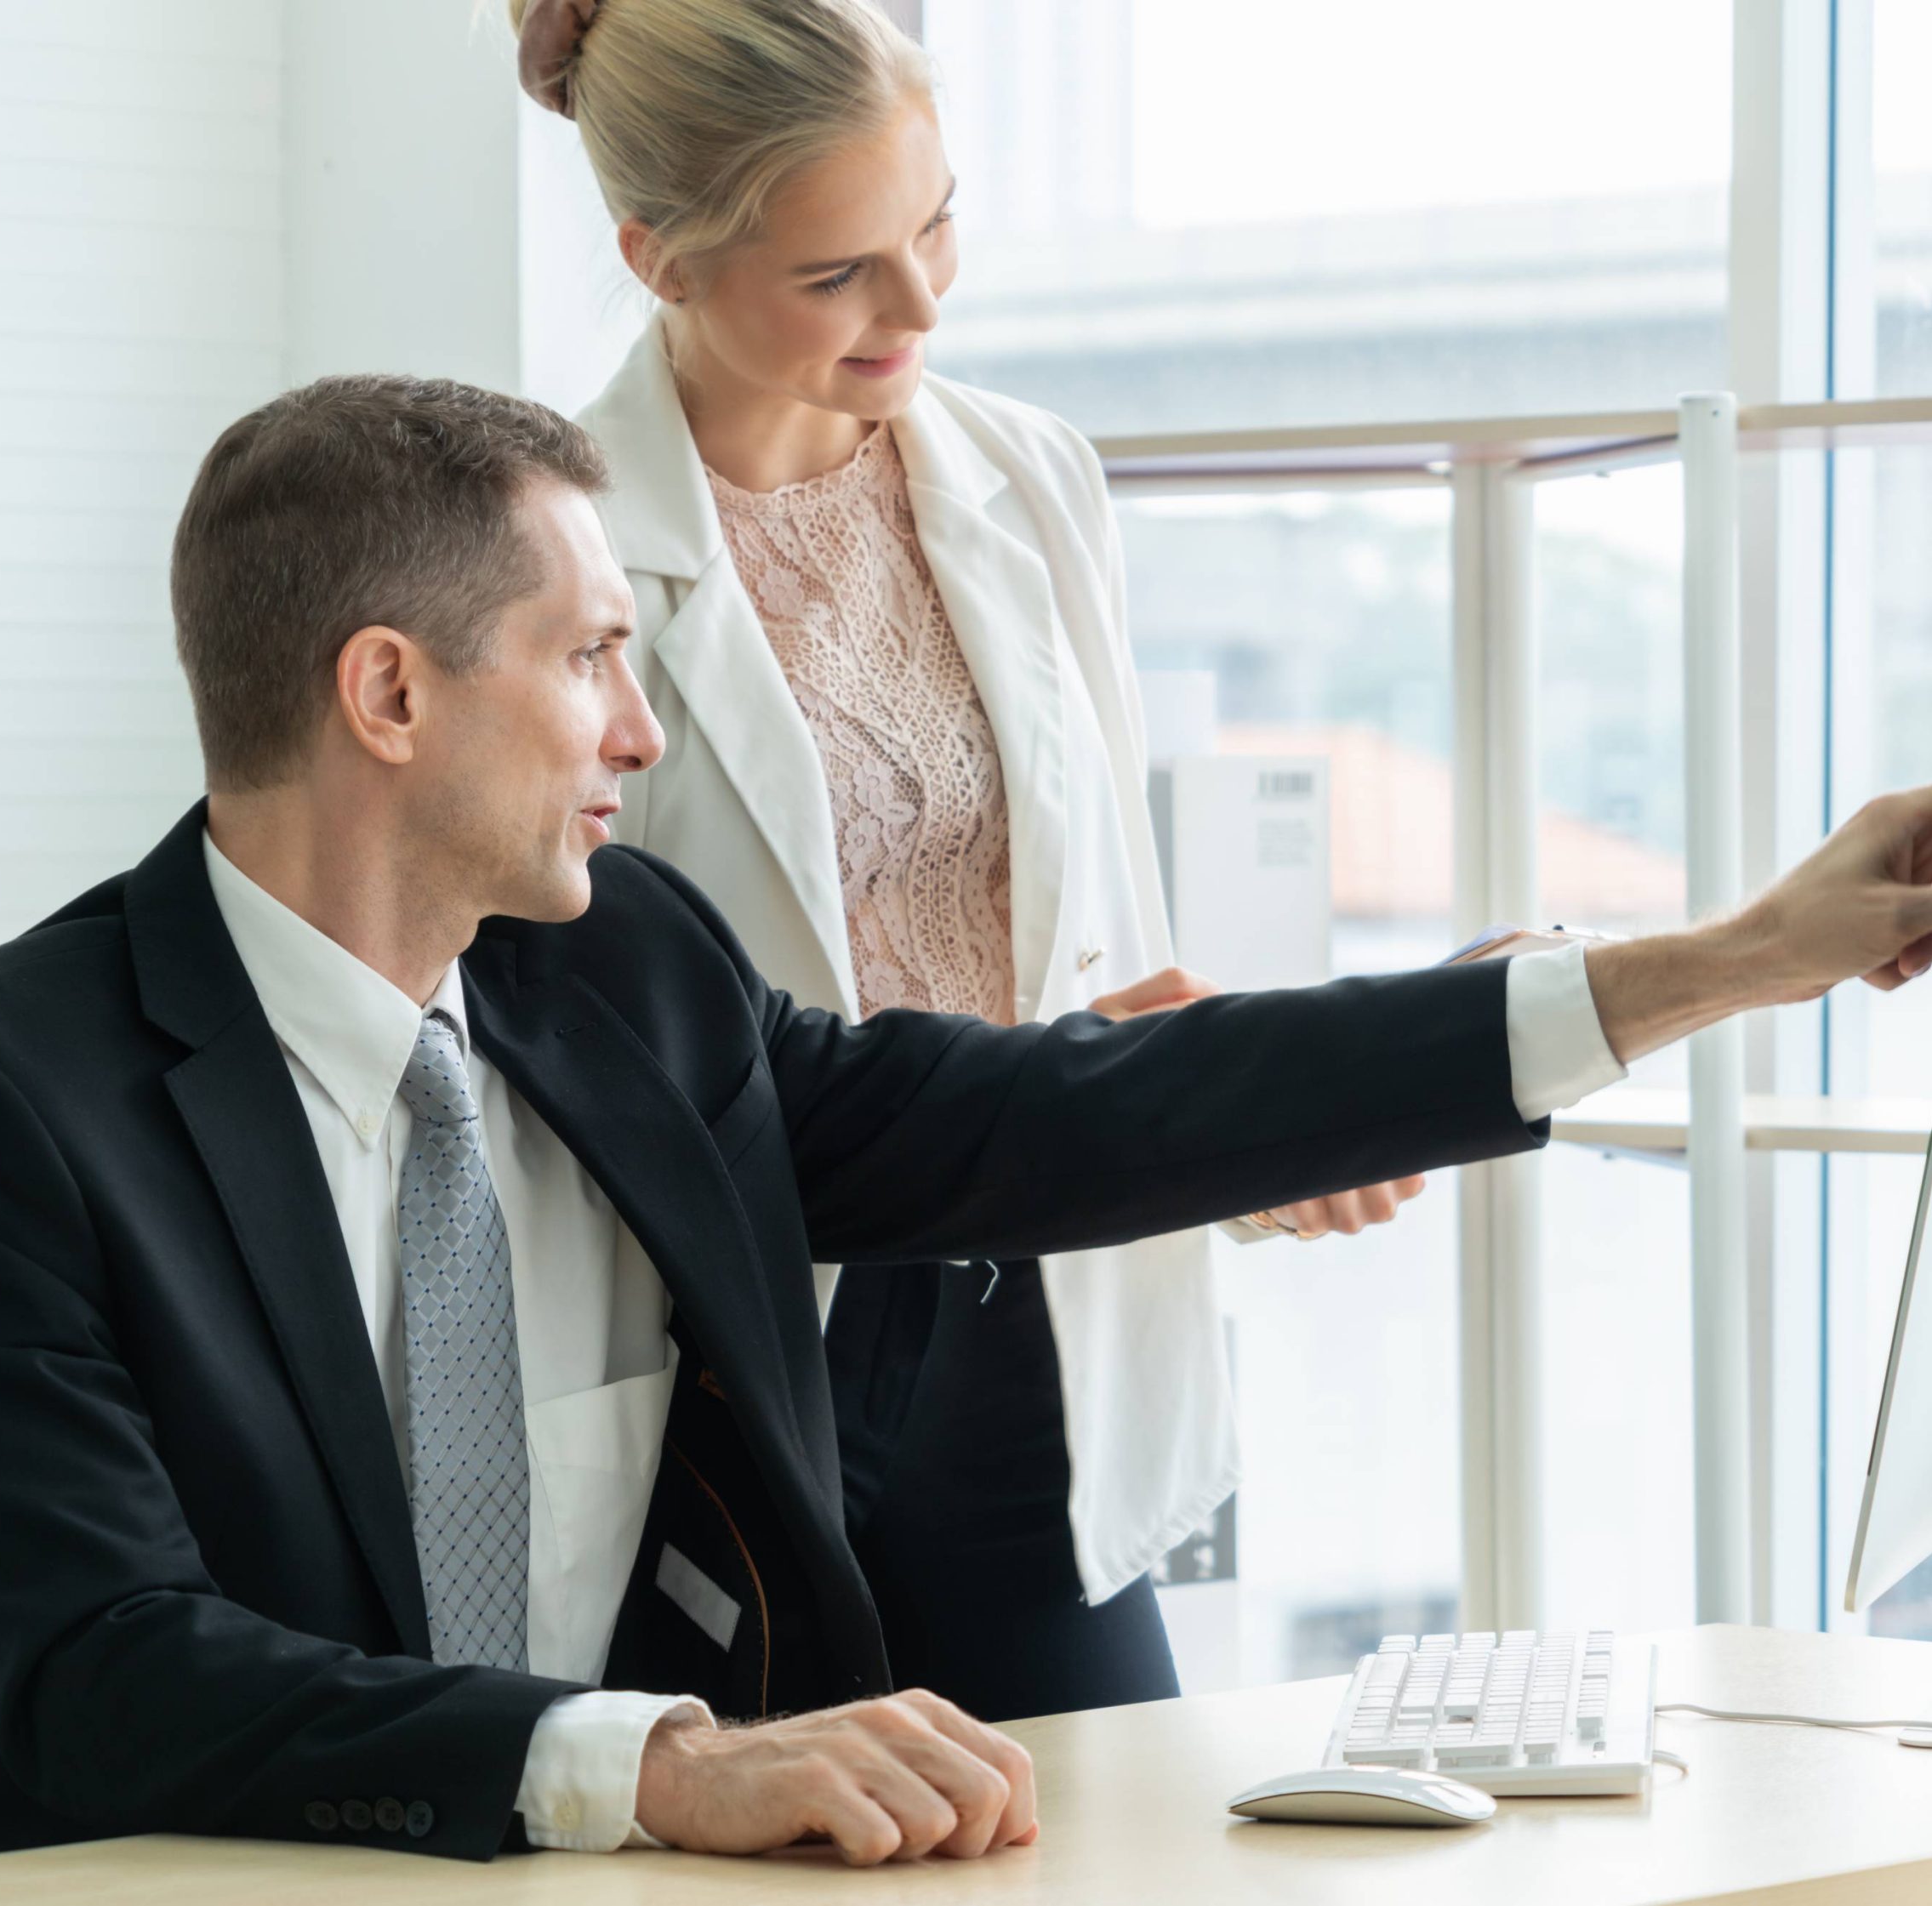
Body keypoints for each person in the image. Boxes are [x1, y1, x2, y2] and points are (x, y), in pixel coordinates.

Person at [0, 372, 1932, 1871]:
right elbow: (106, 1669)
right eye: (589, 656)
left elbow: (1068, 1115)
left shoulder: (621, 973)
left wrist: (1720, 962)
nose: (640, 731)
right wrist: (660, 1766)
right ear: (389, 691)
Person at [511, 0, 1421, 1719]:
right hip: (742, 1353)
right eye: (839, 271)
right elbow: (543, 1015)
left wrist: (1185, 1096)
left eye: (935, 226)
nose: (921, 303)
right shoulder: (547, 549)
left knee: (1118, 1811)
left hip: (1036, 1310)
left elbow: (1087, 916)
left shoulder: (1034, 474)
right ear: (660, 260)